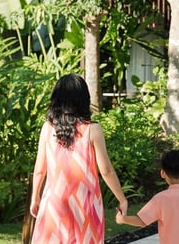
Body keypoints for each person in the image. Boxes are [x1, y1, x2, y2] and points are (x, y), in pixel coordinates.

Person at [30, 73, 128, 243]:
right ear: (84, 99)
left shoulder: (47, 129)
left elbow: (40, 170)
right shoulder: (93, 130)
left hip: (55, 203)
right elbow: (106, 170)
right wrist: (122, 199)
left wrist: (35, 197)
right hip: (87, 205)